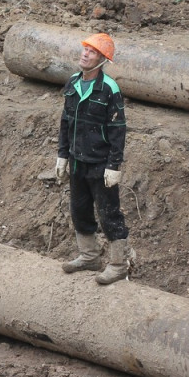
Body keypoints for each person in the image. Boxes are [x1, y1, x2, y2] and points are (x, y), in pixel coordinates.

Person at [55, 33, 132, 285]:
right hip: (78, 161)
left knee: (109, 213)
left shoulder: (109, 89)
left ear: (102, 60)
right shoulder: (73, 83)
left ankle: (119, 264)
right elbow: (66, 122)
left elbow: (117, 128)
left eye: (92, 52)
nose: (85, 54)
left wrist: (114, 165)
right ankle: (89, 256)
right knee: (79, 210)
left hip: (100, 164)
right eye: (85, 49)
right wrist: (62, 155)